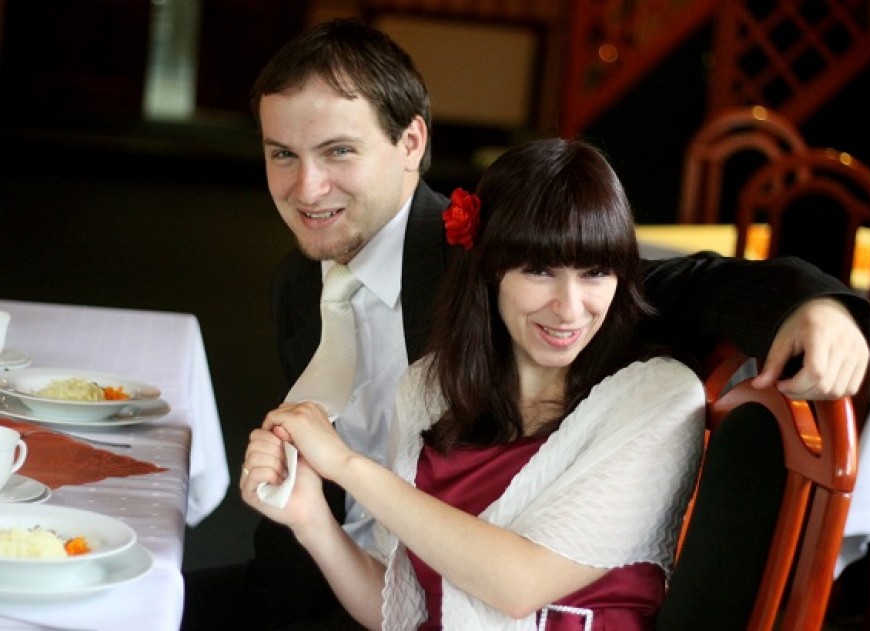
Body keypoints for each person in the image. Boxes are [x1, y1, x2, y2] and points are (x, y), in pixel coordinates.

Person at [182, 17, 870, 630]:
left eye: (338, 151)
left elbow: (675, 284)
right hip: (351, 581)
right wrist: (306, 516)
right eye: (283, 154)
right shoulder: (299, 282)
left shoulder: (492, 259)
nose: (306, 189)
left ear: (411, 141)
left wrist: (813, 303)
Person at [243, 137, 708, 629]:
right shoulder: (428, 390)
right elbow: (401, 611)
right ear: (489, 269)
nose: (570, 308)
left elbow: (519, 585)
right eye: (540, 270)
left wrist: (346, 466)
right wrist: (311, 518)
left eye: (595, 272)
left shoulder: (658, 400)